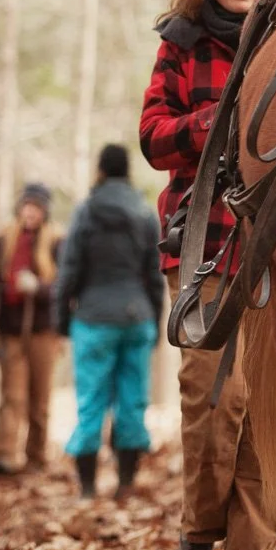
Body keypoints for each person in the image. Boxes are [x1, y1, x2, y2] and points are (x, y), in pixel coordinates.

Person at [140, 0, 276, 550]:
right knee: (211, 398)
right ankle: (198, 533)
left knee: (266, 408)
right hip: (201, 245)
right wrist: (214, 121)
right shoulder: (181, 45)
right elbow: (153, 140)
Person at [56, 144, 165, 501]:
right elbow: (154, 271)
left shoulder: (86, 212)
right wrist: (156, 319)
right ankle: (126, 483)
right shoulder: (144, 212)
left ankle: (87, 489)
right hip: (137, 317)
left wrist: (60, 320)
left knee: (91, 402)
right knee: (133, 401)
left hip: (93, 318)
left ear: (100, 170)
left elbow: (69, 269)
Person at [0, 182, 63, 476]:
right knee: (11, 396)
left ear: (44, 212)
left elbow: (63, 287)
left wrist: (39, 287)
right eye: (27, 206)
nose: (30, 212)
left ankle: (36, 456)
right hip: (11, 330)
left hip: (44, 332)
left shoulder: (56, 242)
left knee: (39, 398)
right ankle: (5, 455)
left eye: (37, 208)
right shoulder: (3, 240)